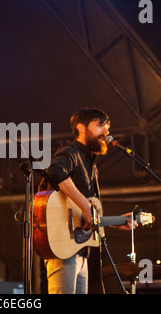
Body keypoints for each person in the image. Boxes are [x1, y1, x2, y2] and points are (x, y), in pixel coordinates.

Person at [38, 107, 137, 294]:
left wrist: (116, 222)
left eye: (107, 126)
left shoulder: (91, 164)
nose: (106, 132)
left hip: (81, 252)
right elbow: (55, 172)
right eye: (100, 125)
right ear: (81, 128)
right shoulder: (71, 152)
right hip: (63, 248)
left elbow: (85, 216)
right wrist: (85, 205)